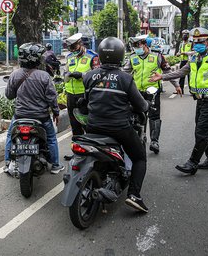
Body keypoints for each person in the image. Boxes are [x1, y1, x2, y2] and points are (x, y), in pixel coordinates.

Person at [150, 27, 208, 175]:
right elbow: (181, 72)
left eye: (200, 42)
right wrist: (162, 77)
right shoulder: (194, 58)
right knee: (203, 131)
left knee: (201, 132)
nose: (196, 45)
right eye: (194, 42)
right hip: (200, 101)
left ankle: (192, 163)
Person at [83, 37, 149, 212]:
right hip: (119, 128)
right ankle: (134, 195)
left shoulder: (89, 76)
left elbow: (87, 100)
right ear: (121, 55)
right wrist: (147, 105)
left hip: (93, 126)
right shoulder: (125, 79)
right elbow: (141, 105)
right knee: (140, 157)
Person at [3, 42, 63, 174]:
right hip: (41, 117)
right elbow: (52, 99)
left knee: (9, 136)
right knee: (52, 138)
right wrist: (56, 113)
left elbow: (9, 95)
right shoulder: (44, 76)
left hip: (20, 116)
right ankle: (55, 165)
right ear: (37, 59)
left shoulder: (14, 74)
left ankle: (7, 163)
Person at [124, 35, 181, 154]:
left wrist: (176, 85)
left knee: (154, 116)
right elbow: (126, 72)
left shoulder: (157, 55)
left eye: (137, 46)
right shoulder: (133, 57)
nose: (135, 49)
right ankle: (138, 139)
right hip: (137, 91)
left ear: (144, 44)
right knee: (136, 116)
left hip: (153, 91)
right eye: (134, 47)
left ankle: (154, 141)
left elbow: (167, 71)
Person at [63, 33, 100, 160]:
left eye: (74, 46)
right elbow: (66, 72)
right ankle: (77, 152)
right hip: (71, 95)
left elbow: (97, 74)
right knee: (74, 125)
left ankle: (91, 151)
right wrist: (65, 76)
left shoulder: (92, 56)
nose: (72, 50)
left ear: (80, 43)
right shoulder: (69, 57)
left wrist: (82, 75)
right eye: (70, 48)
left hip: (85, 95)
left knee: (87, 124)